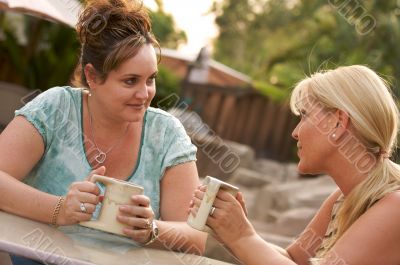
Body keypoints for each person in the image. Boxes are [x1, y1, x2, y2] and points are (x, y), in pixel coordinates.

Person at [0, 0, 206, 263]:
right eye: (130, 81)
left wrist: (152, 230)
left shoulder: (166, 134)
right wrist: (58, 209)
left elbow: (195, 240)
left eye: (150, 79)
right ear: (93, 76)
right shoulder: (56, 108)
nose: (145, 94)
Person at [190, 65, 400, 264]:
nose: (295, 132)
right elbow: (294, 258)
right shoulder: (343, 198)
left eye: (304, 116)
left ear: (338, 122)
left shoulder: (394, 206)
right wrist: (230, 231)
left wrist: (242, 236)